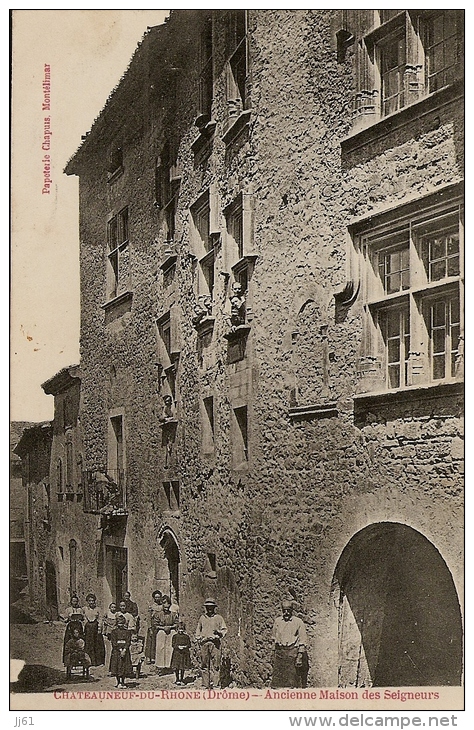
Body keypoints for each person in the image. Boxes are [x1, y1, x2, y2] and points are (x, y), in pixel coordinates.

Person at [271, 599, 309, 688]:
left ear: (292, 611)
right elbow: (274, 639)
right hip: (280, 653)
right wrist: (273, 653)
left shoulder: (298, 622)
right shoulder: (278, 621)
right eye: (284, 611)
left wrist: (299, 656)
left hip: (293, 653)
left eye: (288, 611)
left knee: (293, 682)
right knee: (278, 683)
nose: (286, 613)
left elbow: (302, 640)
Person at [195, 598, 227, 689]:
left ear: (214, 608)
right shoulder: (202, 618)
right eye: (208, 607)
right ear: (205, 608)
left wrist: (218, 633)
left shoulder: (219, 618)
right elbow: (198, 630)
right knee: (204, 664)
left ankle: (216, 684)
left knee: (216, 665)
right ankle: (205, 684)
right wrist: (199, 638)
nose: (209, 609)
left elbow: (224, 630)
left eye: (211, 607)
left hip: (215, 643)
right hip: (204, 643)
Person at [155, 594, 179, 673]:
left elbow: (176, 623)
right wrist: (163, 628)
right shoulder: (158, 614)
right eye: (164, 607)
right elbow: (156, 625)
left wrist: (170, 627)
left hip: (170, 631)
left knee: (169, 648)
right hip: (162, 631)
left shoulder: (173, 614)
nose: (166, 608)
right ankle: (161, 667)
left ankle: (169, 666)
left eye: (167, 607)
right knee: (161, 648)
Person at [109, 614, 133, 688]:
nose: (120, 624)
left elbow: (128, 641)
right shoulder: (114, 632)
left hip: (125, 650)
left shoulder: (127, 632)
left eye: (122, 623)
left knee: (124, 666)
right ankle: (118, 682)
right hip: (117, 651)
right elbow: (113, 642)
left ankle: (123, 682)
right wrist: (120, 650)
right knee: (117, 666)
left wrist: (125, 649)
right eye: (119, 622)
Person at [83, 593, 106, 667]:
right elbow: (84, 619)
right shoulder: (85, 609)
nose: (91, 602)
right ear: (87, 601)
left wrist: (99, 628)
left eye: (93, 601)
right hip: (88, 628)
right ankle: (90, 661)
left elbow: (100, 619)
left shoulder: (98, 609)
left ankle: (98, 662)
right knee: (89, 644)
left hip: (96, 628)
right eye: (90, 601)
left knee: (97, 645)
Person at [61, 595, 85, 664]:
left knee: (79, 640)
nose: (75, 603)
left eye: (76, 601)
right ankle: (67, 659)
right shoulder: (68, 609)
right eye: (73, 601)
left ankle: (80, 658)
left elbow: (83, 618)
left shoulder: (80, 609)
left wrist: (80, 617)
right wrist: (68, 618)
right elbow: (64, 619)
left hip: (78, 625)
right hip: (71, 626)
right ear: (71, 602)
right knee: (69, 640)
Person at [170, 621, 192, 685]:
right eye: (179, 629)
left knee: (182, 667)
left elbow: (189, 645)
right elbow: (173, 644)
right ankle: (177, 679)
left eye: (182, 629)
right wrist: (178, 647)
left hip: (184, 653)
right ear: (177, 629)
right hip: (177, 653)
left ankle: (182, 679)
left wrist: (185, 647)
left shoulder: (186, 637)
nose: (181, 630)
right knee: (176, 667)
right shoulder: (175, 636)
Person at [145, 590, 163, 663]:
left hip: (159, 625)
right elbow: (149, 618)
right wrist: (150, 628)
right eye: (156, 597)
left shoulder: (162, 606)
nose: (157, 599)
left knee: (158, 642)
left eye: (159, 597)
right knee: (150, 642)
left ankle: (156, 657)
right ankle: (149, 657)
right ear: (154, 598)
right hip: (152, 626)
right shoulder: (151, 607)